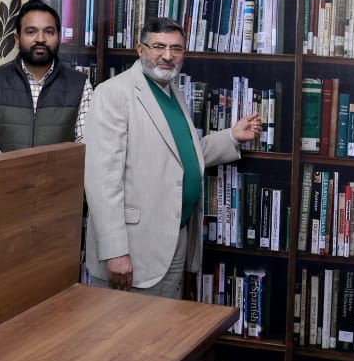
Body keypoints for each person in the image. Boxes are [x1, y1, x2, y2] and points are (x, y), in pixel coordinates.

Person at [83, 16, 262, 298]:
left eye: (176, 48)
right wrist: (115, 252)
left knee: (164, 326)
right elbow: (101, 181)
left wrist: (231, 136)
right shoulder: (113, 93)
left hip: (174, 240)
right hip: (133, 246)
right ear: (140, 49)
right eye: (159, 46)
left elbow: (180, 156)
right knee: (127, 326)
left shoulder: (172, 93)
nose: (168, 56)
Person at [0, 0, 93, 155]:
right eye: (31, 32)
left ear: (59, 37)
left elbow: (85, 141)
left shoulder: (80, 85)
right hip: (4, 171)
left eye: (49, 32)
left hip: (60, 171)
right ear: (17, 39)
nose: (40, 39)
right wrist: (10, 170)